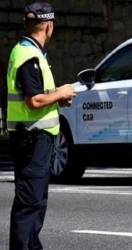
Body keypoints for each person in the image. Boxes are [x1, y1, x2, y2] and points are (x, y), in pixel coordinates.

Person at [6, 2, 76, 249]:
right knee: (30, 201)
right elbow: (34, 99)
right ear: (48, 26)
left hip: (37, 138)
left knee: (37, 200)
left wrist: (58, 97)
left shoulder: (32, 53)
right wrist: (61, 92)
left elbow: (38, 95)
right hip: (31, 139)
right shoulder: (28, 55)